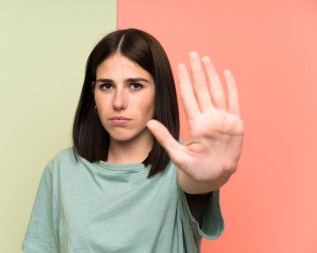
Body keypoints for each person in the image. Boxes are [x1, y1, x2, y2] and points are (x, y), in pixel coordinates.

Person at [22, 28, 244, 253]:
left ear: (159, 92)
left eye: (135, 85)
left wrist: (211, 177)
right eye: (106, 86)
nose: (119, 102)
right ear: (93, 94)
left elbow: (196, 180)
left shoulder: (183, 164)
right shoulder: (62, 169)